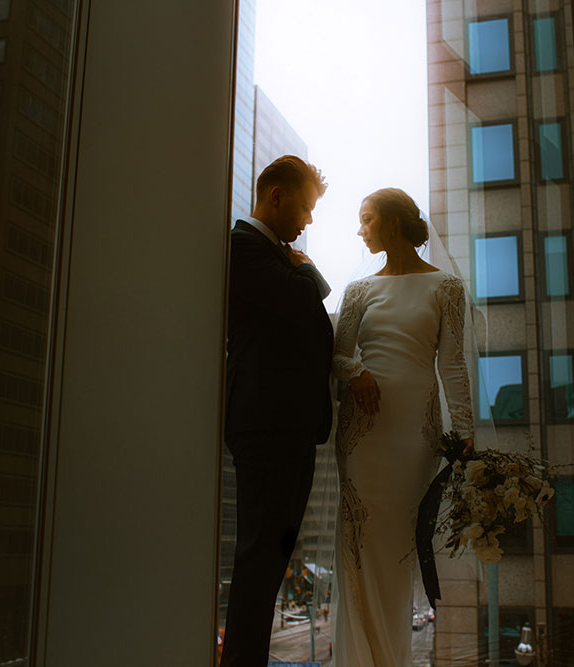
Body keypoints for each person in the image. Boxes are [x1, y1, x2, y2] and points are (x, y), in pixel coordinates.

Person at [331, 188, 474, 666]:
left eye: (367, 219)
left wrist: (467, 437)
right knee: (361, 548)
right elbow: (336, 353)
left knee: (397, 552)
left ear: (393, 225)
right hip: (363, 440)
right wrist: (356, 372)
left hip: (415, 440)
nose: (360, 230)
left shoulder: (445, 288)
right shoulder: (358, 291)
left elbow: (452, 367)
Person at [222, 155, 333, 667]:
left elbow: (311, 325)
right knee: (258, 562)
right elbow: (298, 309)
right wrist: (309, 272)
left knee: (270, 563)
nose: (307, 222)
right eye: (306, 208)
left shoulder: (273, 257)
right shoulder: (243, 248)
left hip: (286, 430)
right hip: (267, 429)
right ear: (276, 197)